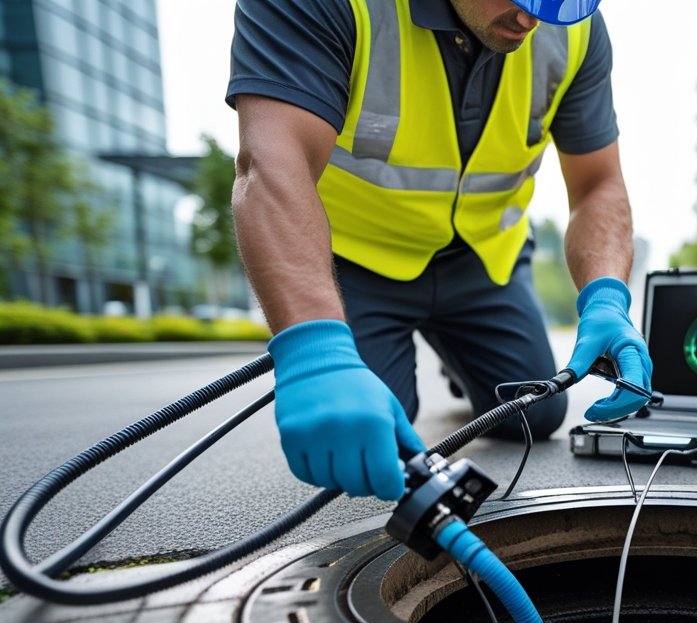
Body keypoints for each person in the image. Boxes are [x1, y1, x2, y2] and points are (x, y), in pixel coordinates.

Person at [227, 0, 653, 503]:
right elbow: (272, 165)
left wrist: (607, 297)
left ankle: (457, 355)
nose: (532, 19)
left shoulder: (574, 32)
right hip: (356, 260)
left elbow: (598, 184)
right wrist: (314, 351)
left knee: (534, 413)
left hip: (481, 259)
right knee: (374, 435)